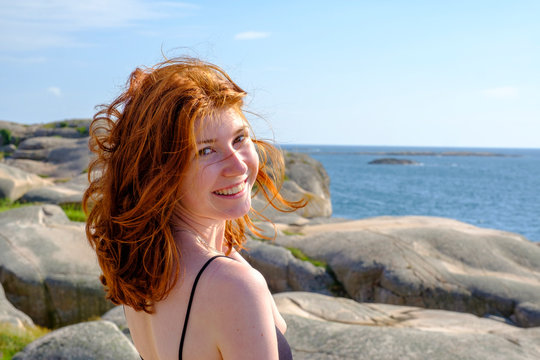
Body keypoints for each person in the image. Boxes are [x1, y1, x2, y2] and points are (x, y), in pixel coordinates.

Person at [83, 57, 305, 360]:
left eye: (239, 138)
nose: (238, 165)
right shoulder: (232, 286)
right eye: (206, 150)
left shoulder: (146, 258)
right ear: (162, 170)